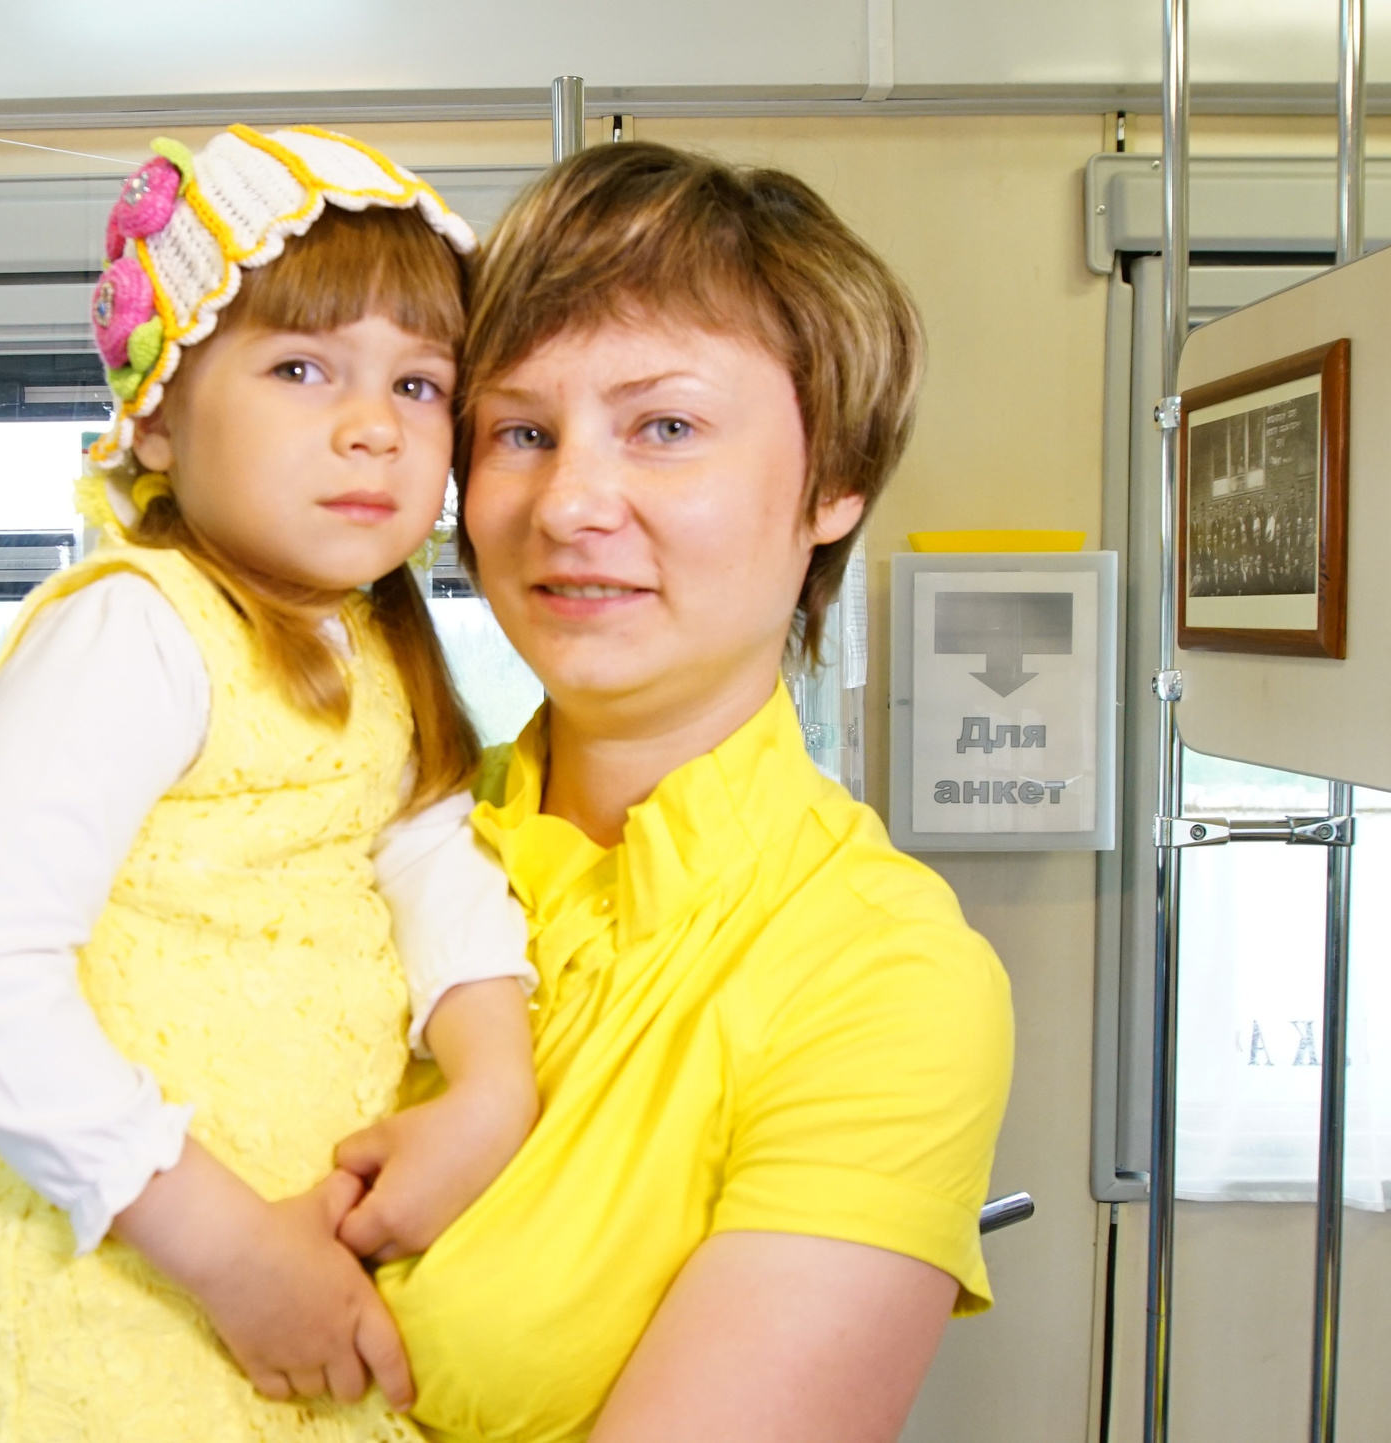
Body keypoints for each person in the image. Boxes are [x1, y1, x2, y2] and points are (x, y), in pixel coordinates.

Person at [0, 126, 539, 1442]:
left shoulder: (381, 643)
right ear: (156, 415)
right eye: (299, 368)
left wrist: (493, 1087)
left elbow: (435, 864)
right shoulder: (139, 628)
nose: (370, 430)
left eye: (418, 387)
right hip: (103, 1287)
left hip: (285, 1273)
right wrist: (230, 1252)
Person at [374, 142, 1016, 1443]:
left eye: (664, 426)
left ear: (835, 481)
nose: (570, 502)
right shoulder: (369, 831)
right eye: (521, 431)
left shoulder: (883, 979)